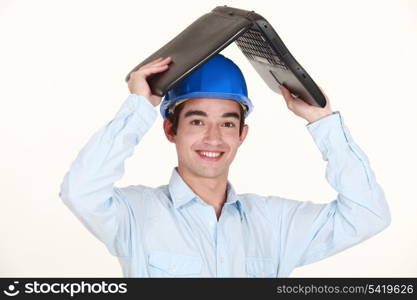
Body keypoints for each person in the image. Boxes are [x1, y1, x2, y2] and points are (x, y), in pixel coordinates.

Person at [59, 54, 390, 277]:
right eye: (198, 122)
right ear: (170, 129)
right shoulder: (134, 215)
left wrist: (322, 121)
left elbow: (368, 215)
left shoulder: (276, 225)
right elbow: (80, 190)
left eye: (228, 124)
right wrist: (138, 108)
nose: (213, 138)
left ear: (242, 134)